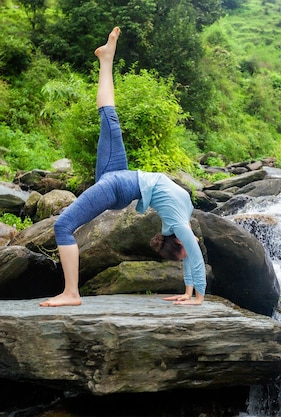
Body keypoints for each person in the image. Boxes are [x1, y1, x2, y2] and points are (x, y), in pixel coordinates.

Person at [39, 27, 206, 307]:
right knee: (109, 115)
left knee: (63, 226)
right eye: (181, 254)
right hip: (118, 177)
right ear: (177, 242)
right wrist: (196, 296)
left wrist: (191, 291)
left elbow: (189, 254)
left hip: (119, 186)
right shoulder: (178, 223)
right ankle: (106, 59)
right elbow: (194, 254)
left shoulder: (178, 221)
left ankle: (71, 294)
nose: (185, 255)